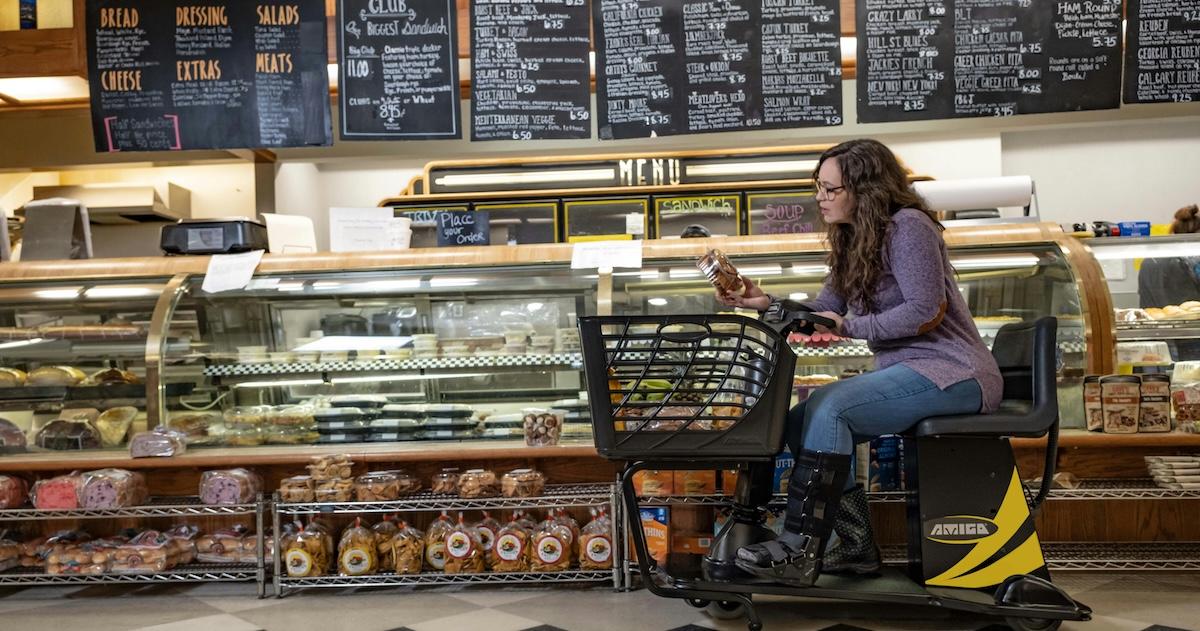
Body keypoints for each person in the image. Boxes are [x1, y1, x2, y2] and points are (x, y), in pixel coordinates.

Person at [716, 138, 1002, 586]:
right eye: (818, 188)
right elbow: (824, 309)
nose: (820, 198)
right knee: (798, 421)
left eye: (831, 189)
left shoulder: (909, 226)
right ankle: (855, 547)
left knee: (833, 408)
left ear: (865, 189)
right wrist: (763, 301)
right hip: (910, 371)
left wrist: (849, 326)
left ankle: (798, 547)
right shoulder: (853, 239)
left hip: (954, 370)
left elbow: (925, 310)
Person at [1137, 204, 1200, 360]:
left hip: (1159, 342)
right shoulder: (1195, 262)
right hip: (1194, 339)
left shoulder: (1149, 262)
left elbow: (1145, 304)